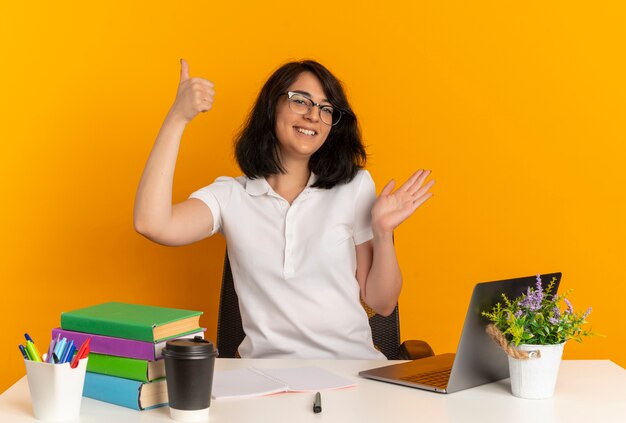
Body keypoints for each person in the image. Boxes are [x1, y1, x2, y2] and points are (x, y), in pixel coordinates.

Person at [134, 59, 435, 359]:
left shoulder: (353, 185)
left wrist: (383, 233)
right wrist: (178, 118)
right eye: (300, 101)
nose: (313, 116)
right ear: (272, 107)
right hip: (267, 378)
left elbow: (382, 303)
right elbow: (152, 223)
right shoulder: (230, 195)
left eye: (325, 109)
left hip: (352, 371)